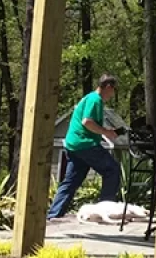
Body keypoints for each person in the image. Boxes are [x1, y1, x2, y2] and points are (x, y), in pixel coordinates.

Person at [47, 74, 123, 220]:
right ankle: (106, 211)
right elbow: (87, 122)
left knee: (71, 181)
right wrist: (106, 132)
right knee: (112, 170)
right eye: (113, 91)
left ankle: (53, 215)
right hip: (85, 144)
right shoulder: (95, 100)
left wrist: (105, 132)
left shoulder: (88, 98)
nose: (113, 94)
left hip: (73, 145)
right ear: (108, 87)